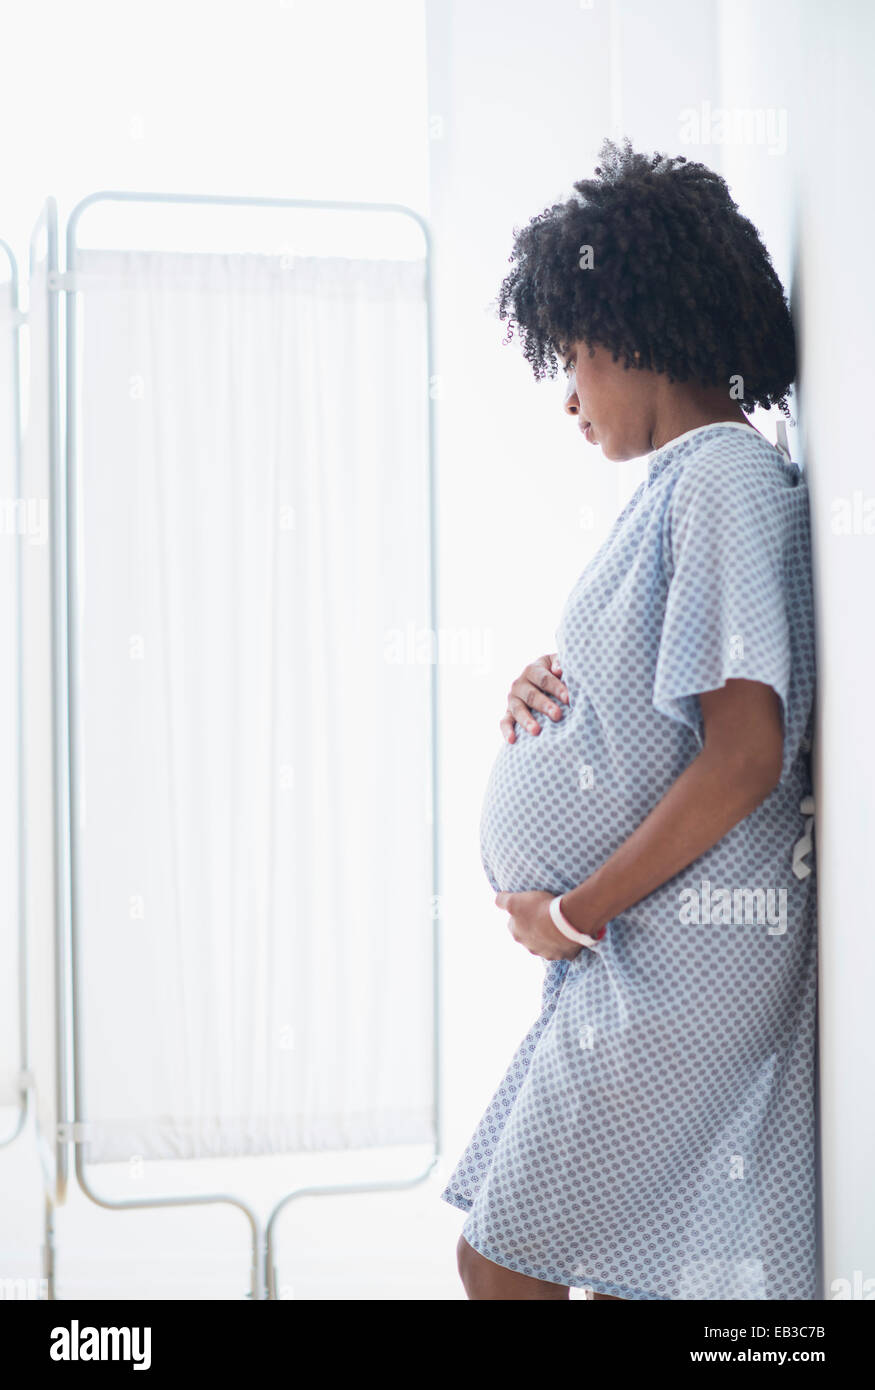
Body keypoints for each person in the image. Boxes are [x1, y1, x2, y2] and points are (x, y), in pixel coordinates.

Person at [440, 137, 817, 1301]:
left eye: (573, 356)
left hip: (674, 953)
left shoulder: (716, 480)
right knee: (597, 1271)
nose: (566, 395)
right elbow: (653, 702)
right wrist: (544, 700)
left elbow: (744, 752)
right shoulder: (693, 486)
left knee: (503, 1265)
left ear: (634, 332)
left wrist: (570, 909)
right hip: (653, 947)